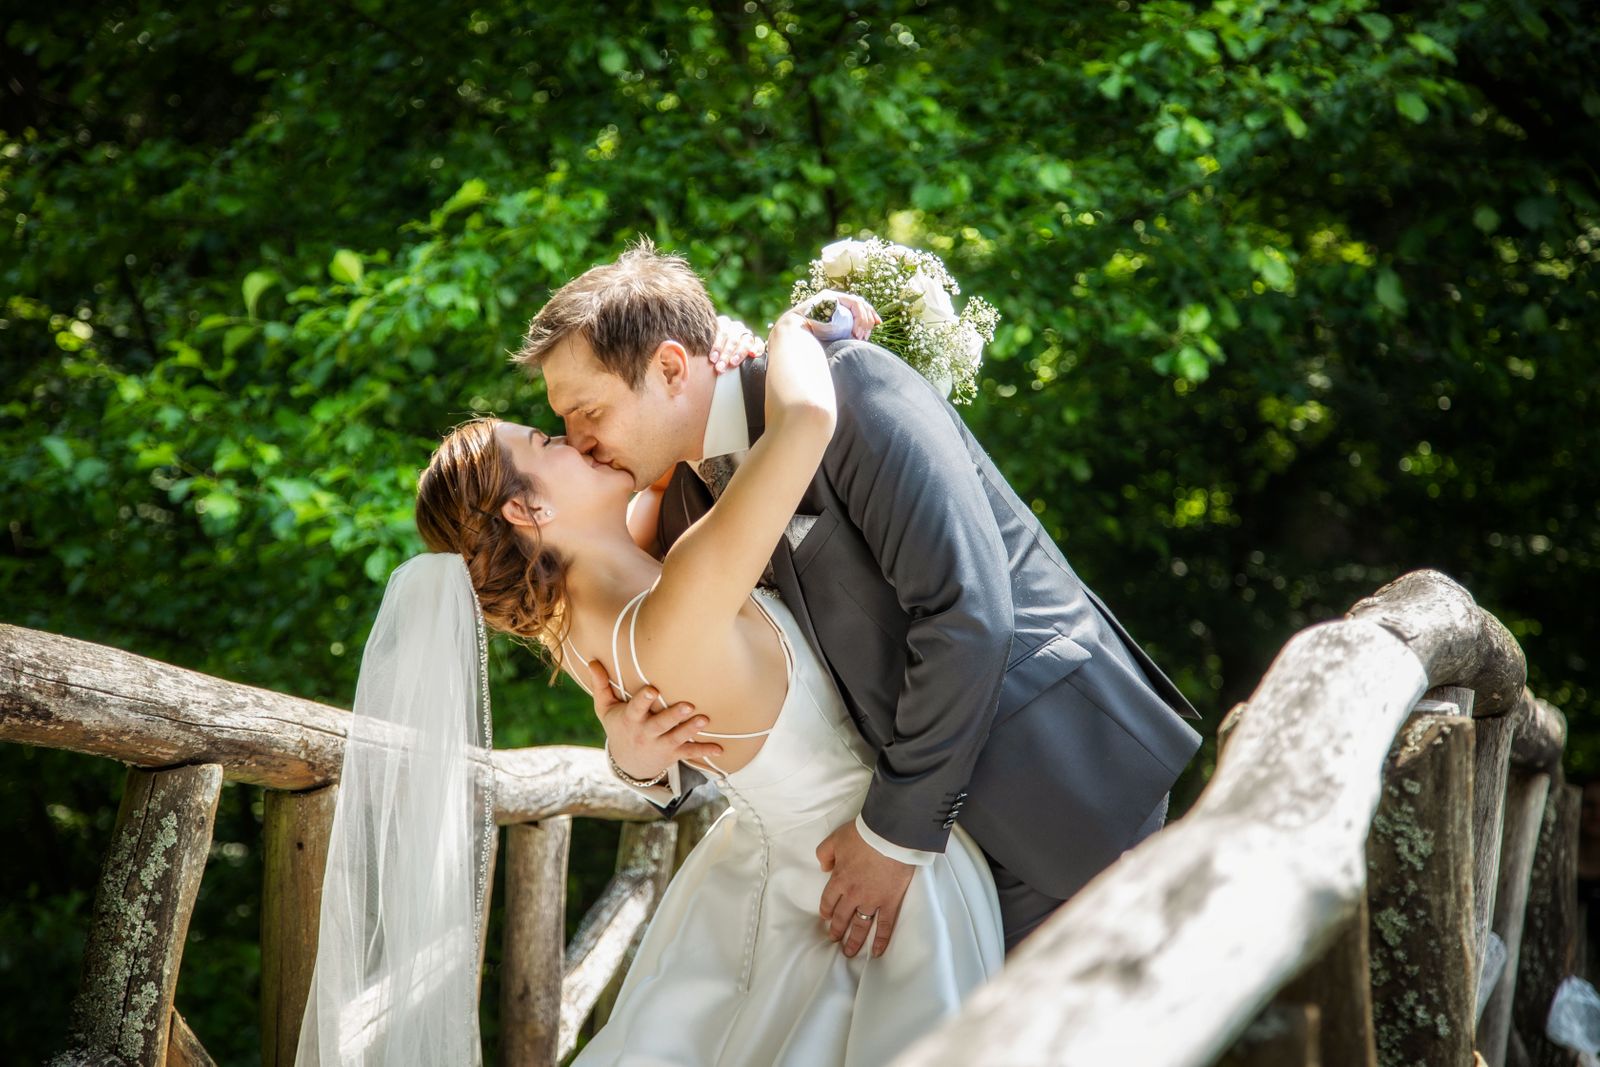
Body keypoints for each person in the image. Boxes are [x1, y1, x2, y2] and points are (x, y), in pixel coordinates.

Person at [518, 240, 1206, 954]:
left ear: (668, 367)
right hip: (943, 854)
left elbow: (968, 612)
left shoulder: (852, 384)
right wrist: (637, 760)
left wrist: (891, 836)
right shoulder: (689, 506)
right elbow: (718, 685)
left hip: (1052, 775)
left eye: (586, 411)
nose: (577, 442)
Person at [410, 290, 1003, 1065]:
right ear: (526, 509)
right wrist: (790, 332)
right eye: (547, 442)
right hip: (873, 871)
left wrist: (633, 761)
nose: (575, 441)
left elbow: (659, 469)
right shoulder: (679, 589)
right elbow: (804, 424)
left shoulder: (574, 619)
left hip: (758, 876)